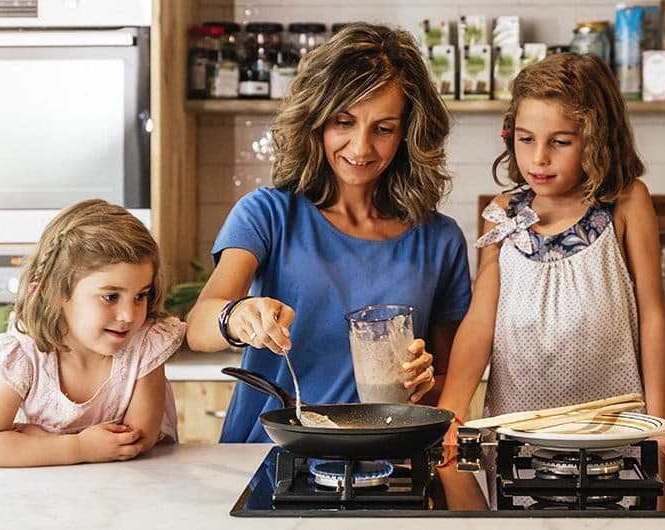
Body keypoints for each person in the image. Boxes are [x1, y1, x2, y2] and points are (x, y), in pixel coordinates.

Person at [186, 22, 472, 443]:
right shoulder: (268, 214)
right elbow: (199, 326)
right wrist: (238, 316)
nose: (360, 148)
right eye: (344, 122)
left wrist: (423, 382)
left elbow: (447, 382)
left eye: (384, 128)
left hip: (390, 467)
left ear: (408, 133)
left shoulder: (439, 240)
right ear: (315, 121)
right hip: (269, 459)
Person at [438, 53, 665, 452]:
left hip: (615, 435)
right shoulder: (503, 212)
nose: (539, 157)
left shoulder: (627, 203)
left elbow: (652, 315)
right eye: (526, 139)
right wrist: (451, 414)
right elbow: (479, 324)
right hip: (518, 436)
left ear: (597, 139)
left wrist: (658, 423)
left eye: (560, 142)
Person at [0, 199, 185, 467]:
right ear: (56, 293)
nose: (129, 315)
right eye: (110, 296)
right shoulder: (25, 357)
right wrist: (80, 447)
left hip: (130, 493)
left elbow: (137, 439)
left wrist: (41, 442)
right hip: (44, 502)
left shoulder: (145, 345)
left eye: (141, 295)